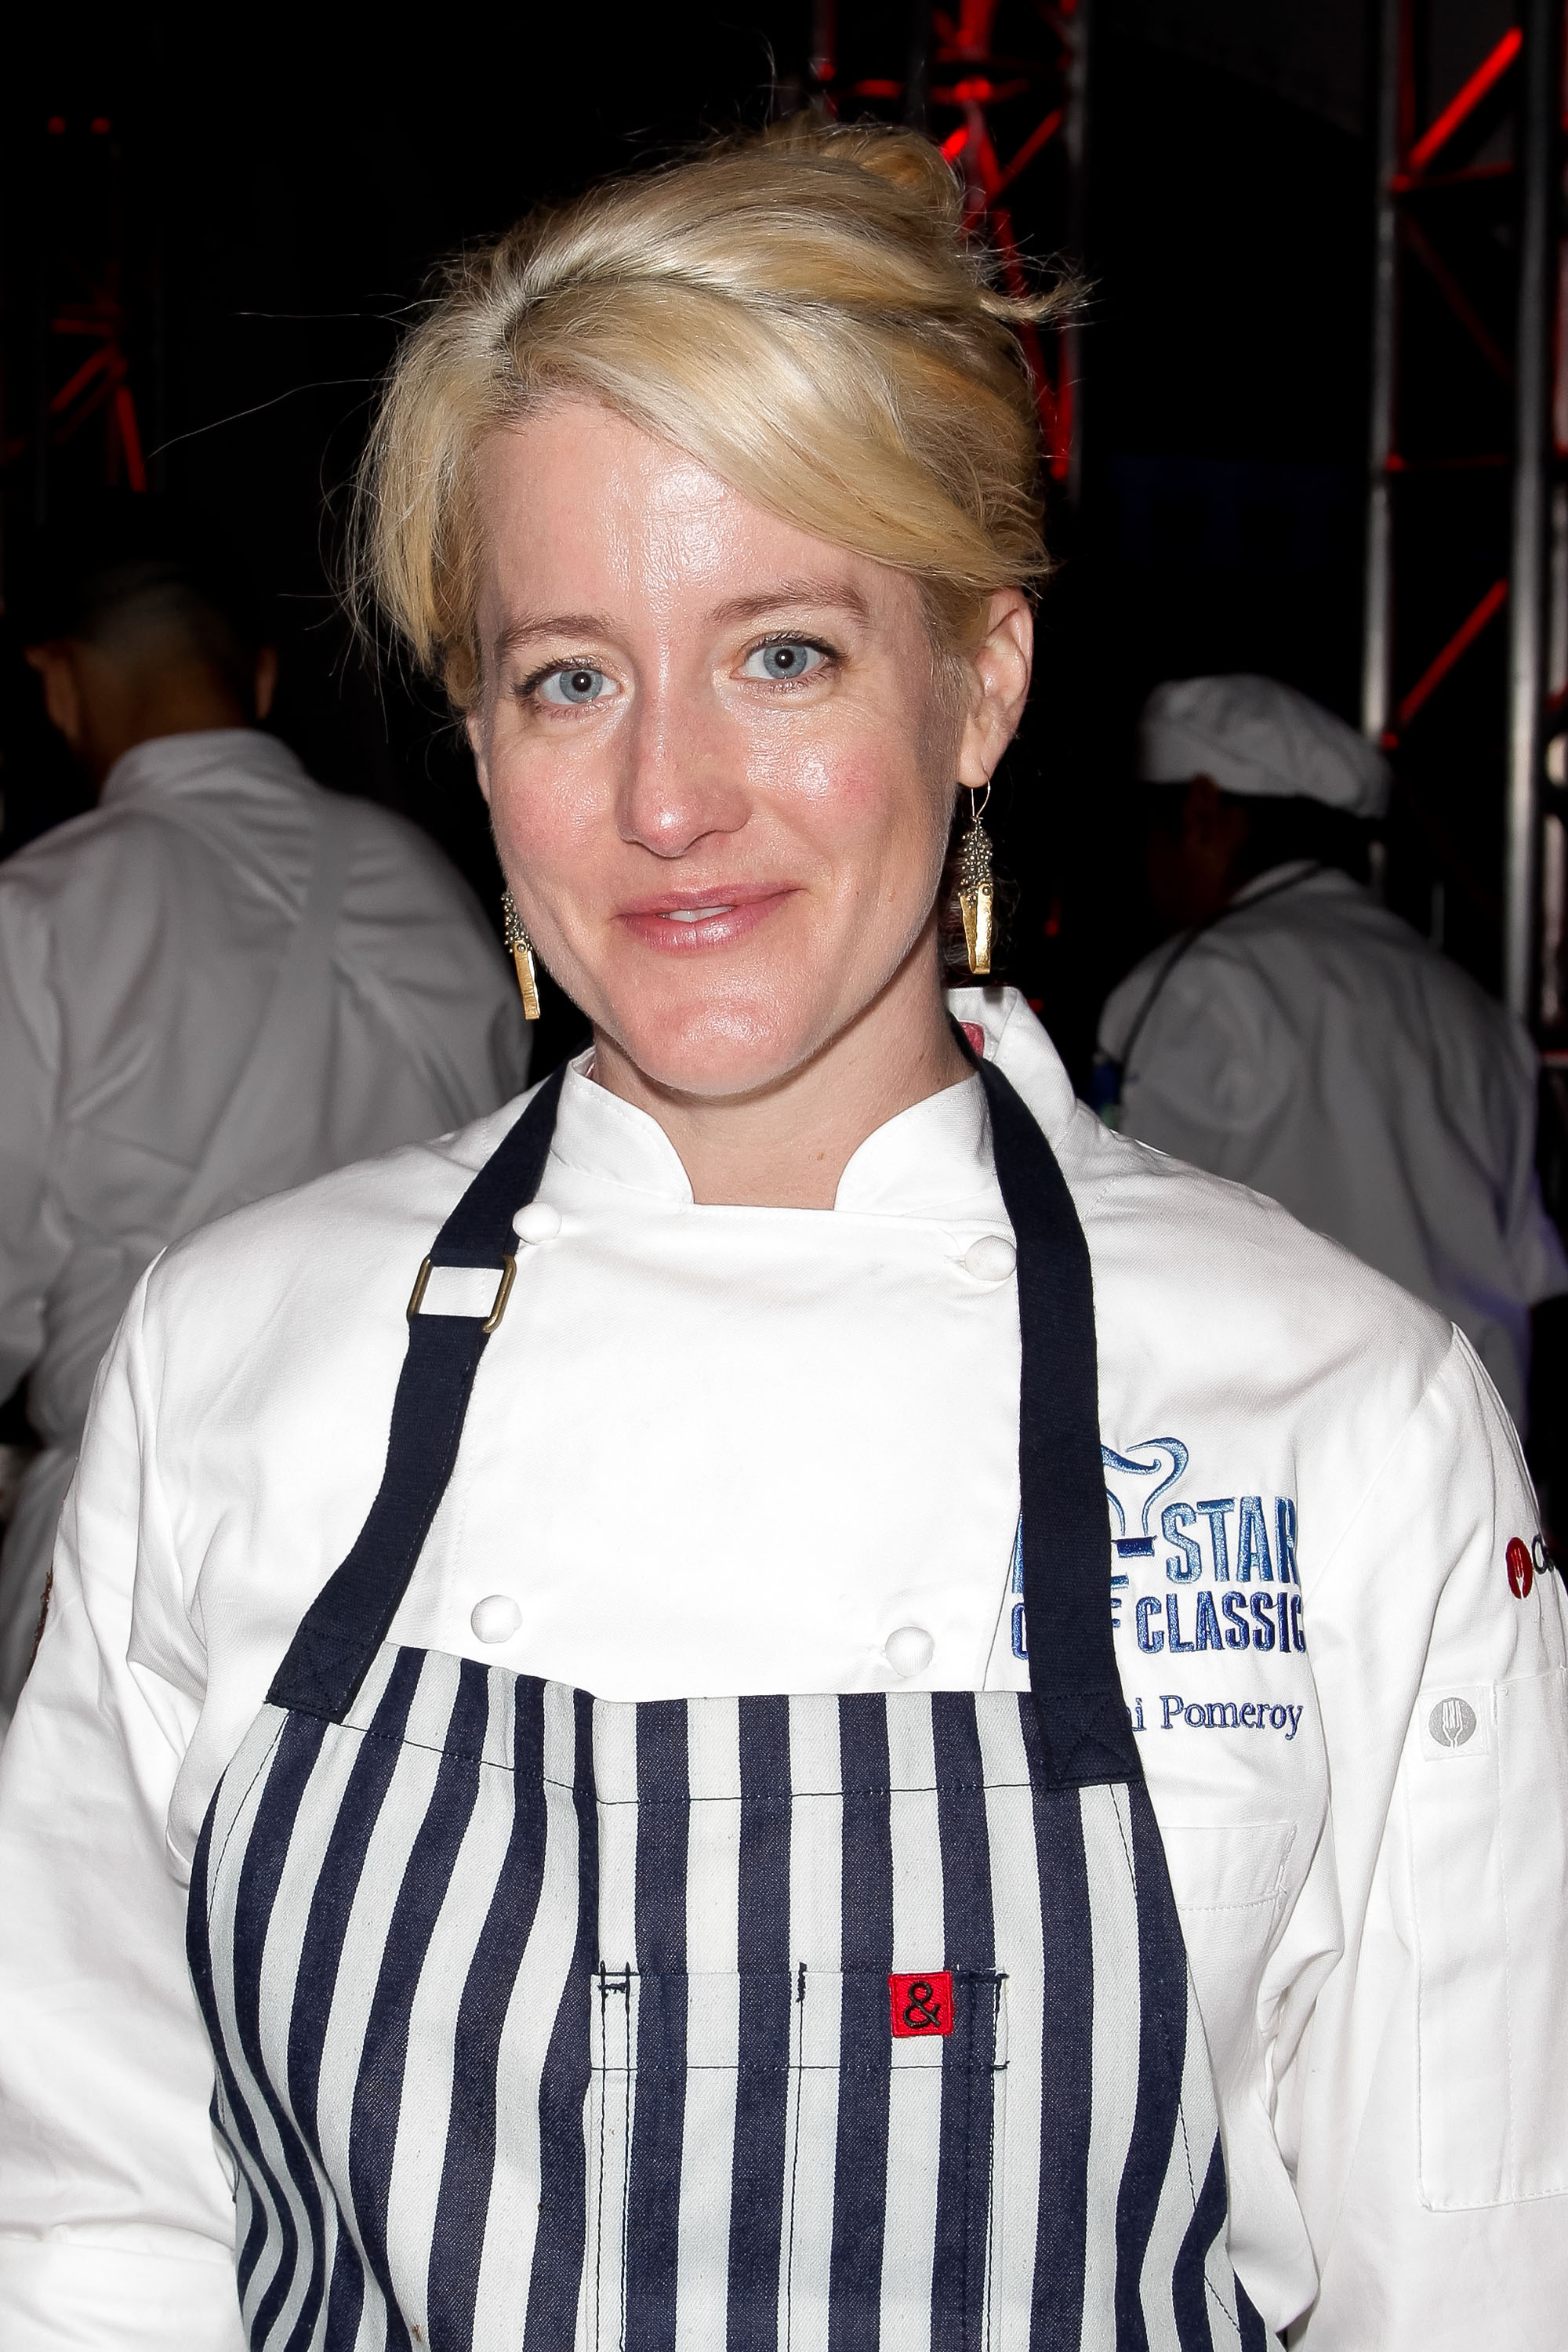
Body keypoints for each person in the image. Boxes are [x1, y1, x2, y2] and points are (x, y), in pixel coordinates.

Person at [0, 124, 1563, 2352]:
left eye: (788, 654)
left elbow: (1479, 2284)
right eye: (569, 678)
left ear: (986, 681)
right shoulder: (235, 1355)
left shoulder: (1345, 1420)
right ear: (473, 729)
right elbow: (86, 2229)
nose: (664, 802)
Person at [0, 512, 532, 1725]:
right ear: (261, 678)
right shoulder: (439, 896)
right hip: (420, 1543)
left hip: (136, 1551)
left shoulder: (38, 916)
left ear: (58, 685)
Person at [1094, 672, 1568, 1429]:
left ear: (1204, 809)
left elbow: (1122, 1250)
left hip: (1291, 1484)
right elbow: (1532, 1282)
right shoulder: (1474, 1007)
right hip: (1476, 1474)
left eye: (1151, 827)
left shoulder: (1196, 983)